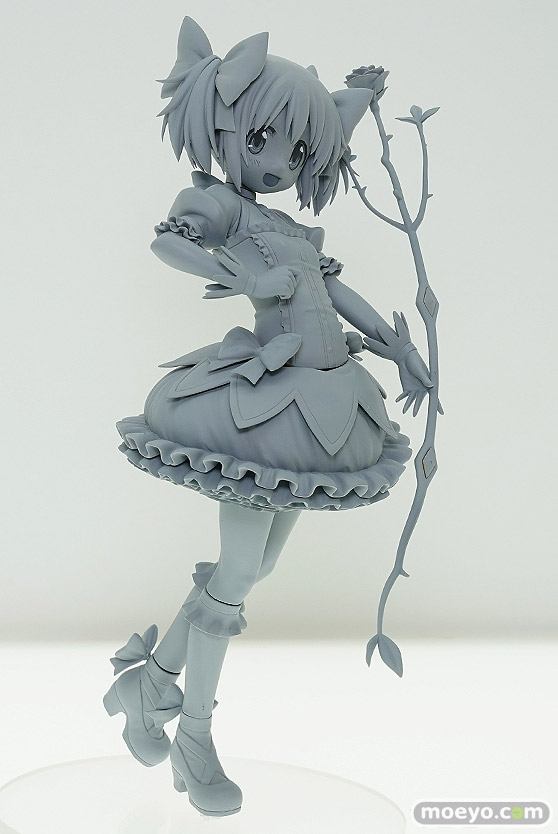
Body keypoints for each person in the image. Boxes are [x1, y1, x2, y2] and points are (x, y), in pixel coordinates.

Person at [104, 16, 432, 817]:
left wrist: (398, 346)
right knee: (238, 574)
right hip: (263, 406)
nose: (280, 163)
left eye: (298, 151)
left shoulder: (289, 224)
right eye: (262, 140)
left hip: (320, 399)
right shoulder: (217, 201)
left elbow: (333, 291)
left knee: (250, 571)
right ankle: (193, 734)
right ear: (222, 128)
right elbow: (168, 244)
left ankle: (150, 685)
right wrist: (245, 275)